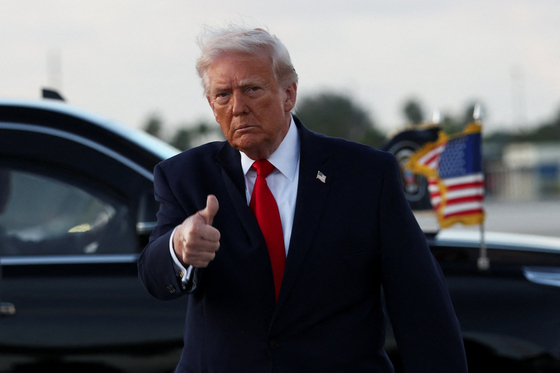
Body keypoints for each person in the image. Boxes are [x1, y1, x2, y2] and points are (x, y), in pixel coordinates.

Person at [138, 25, 468, 373]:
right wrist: (179, 246)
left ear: (289, 94)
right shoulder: (184, 177)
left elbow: (421, 306)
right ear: (211, 104)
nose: (238, 107)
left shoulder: (365, 175)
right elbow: (153, 274)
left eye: (252, 89)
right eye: (223, 95)